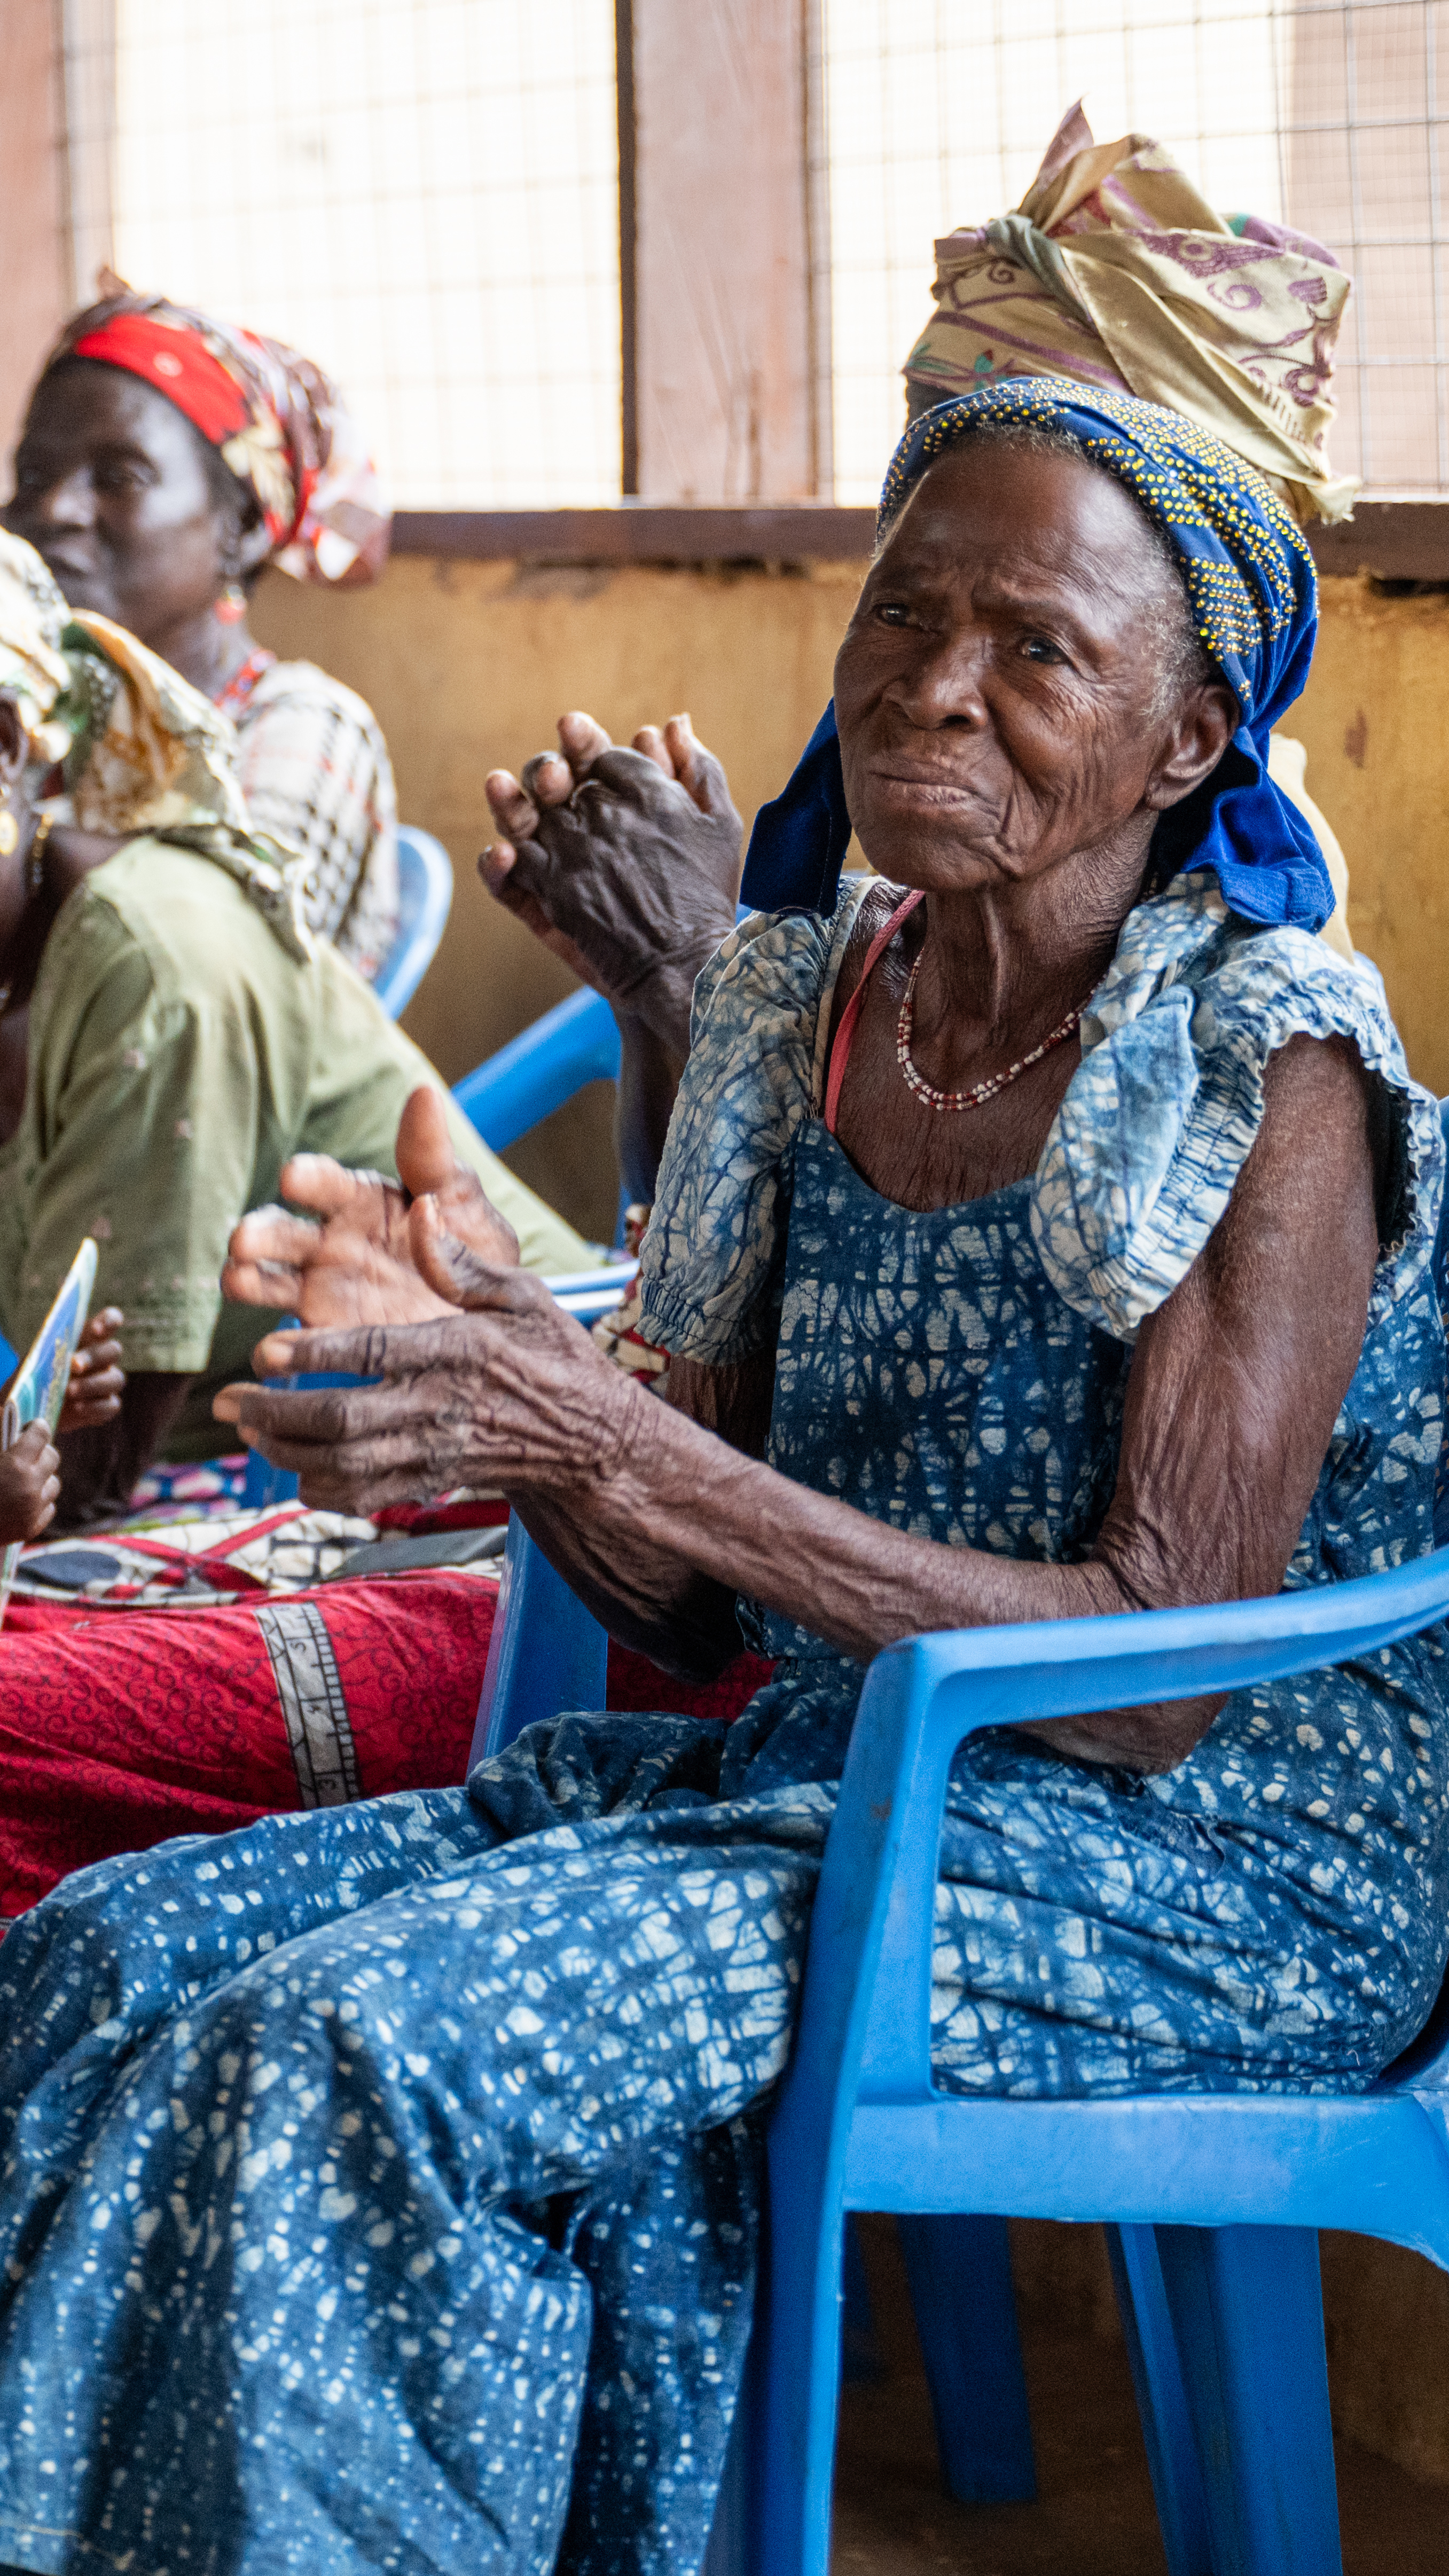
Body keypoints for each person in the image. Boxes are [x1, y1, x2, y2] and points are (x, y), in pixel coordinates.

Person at [1, 382, 1443, 2571]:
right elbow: (685, 1598)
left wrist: (612, 1438)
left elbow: (1151, 1683)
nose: (933, 683)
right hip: (821, 1778)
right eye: (902, 614)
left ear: (1183, 744)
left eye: (1035, 647)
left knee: (341, 2049)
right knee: (99, 1959)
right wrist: (494, 1384)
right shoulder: (812, 993)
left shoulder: (1267, 1056)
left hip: (1198, 1868)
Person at [477, 104, 1359, 1210]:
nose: (944, 493)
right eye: (932, 448)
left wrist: (695, 955)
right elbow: (685, 1264)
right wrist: (650, 983)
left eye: (1021, 449)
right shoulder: (900, 814)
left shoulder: (1244, 931)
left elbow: (994, 1285)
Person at [0, 531, 591, 1521]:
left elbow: (89, 1476)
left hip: (474, 1479)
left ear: (10, 744)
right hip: (230, 1467)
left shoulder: (156, 961)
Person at [5, 279, 401, 980]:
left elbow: (212, 969)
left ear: (243, 529)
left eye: (119, 476)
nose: (54, 509)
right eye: (33, 474)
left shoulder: (304, 728)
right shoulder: (34, 714)